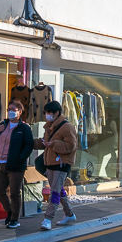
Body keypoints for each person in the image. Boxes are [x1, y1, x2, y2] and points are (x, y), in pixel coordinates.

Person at [0, 99, 35, 229]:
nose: (10, 113)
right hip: (0, 163)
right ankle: (9, 211)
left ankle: (15, 218)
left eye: (13, 110)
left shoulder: (24, 128)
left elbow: (29, 145)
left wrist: (21, 158)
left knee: (14, 192)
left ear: (20, 112)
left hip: (15, 165)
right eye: (9, 110)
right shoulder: (3, 124)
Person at [37, 99, 77, 230]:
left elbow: (71, 146)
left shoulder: (67, 127)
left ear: (57, 113)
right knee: (58, 190)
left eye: (49, 113)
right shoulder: (49, 126)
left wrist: (54, 144)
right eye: (46, 112)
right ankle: (69, 214)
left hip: (61, 164)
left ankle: (48, 219)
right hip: (50, 163)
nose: (47, 115)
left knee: (54, 191)